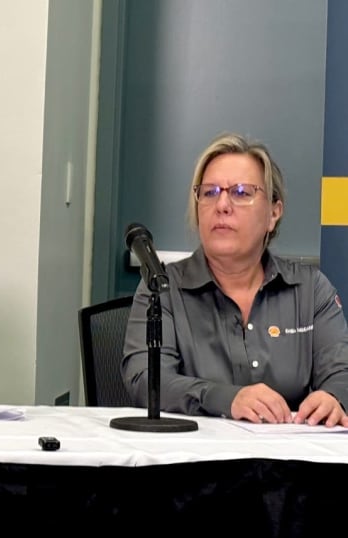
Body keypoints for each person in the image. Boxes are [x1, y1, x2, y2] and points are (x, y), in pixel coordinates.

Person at [122, 132, 348, 427]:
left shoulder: (309, 289)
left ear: (273, 213)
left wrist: (334, 397)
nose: (222, 205)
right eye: (210, 192)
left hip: (289, 463)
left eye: (241, 192)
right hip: (194, 463)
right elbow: (145, 379)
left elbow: (341, 370)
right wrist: (227, 399)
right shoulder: (163, 288)